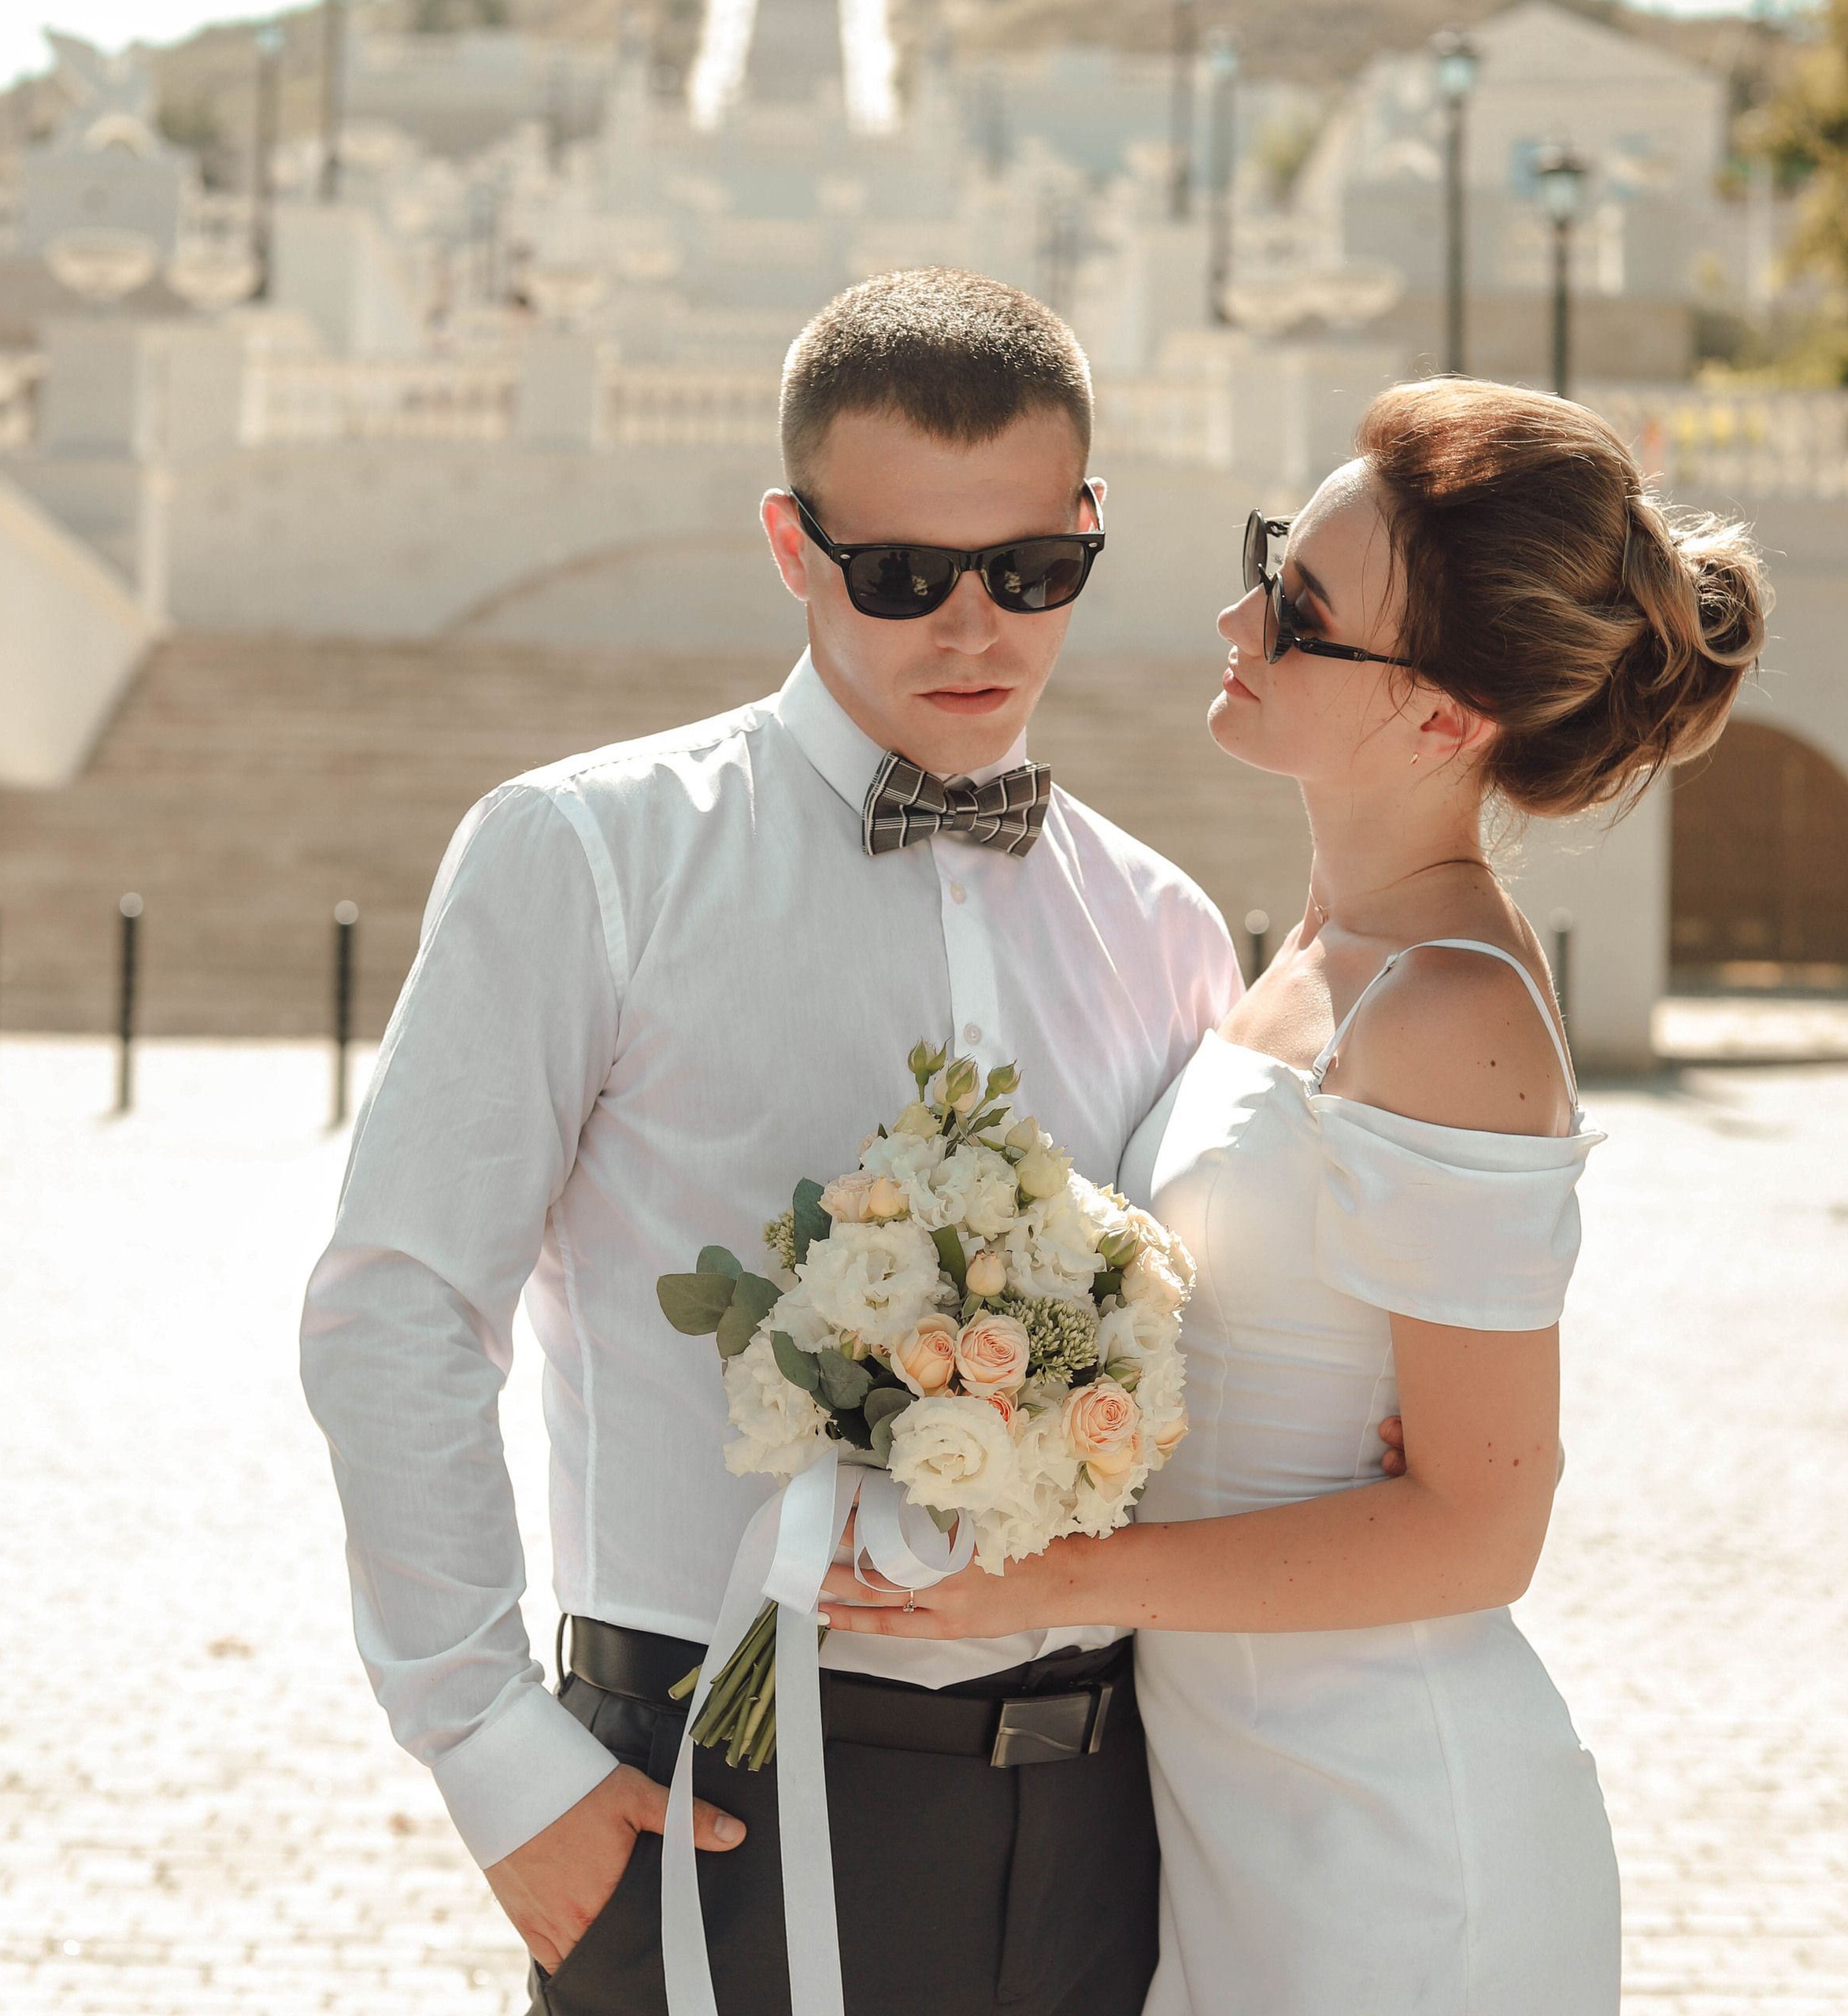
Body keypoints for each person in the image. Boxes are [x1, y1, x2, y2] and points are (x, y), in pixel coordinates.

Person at [302, 267, 1270, 2016]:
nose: (971, 630)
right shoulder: (585, 856)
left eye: (1029, 572)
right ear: (788, 543)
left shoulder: (1166, 926)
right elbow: (397, 1307)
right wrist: (492, 1752)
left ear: (1088, 531)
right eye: (900, 575)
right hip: (706, 1794)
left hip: (1101, 1828)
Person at [817, 378, 1770, 2015]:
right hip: (1227, 1801)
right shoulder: (1310, 955)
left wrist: (1047, 1585)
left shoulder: (1450, 1007)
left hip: (1388, 1833)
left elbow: (1481, 1525)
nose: (1236, 618)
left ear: (1444, 718)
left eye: (1302, 610)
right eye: (1271, 562)